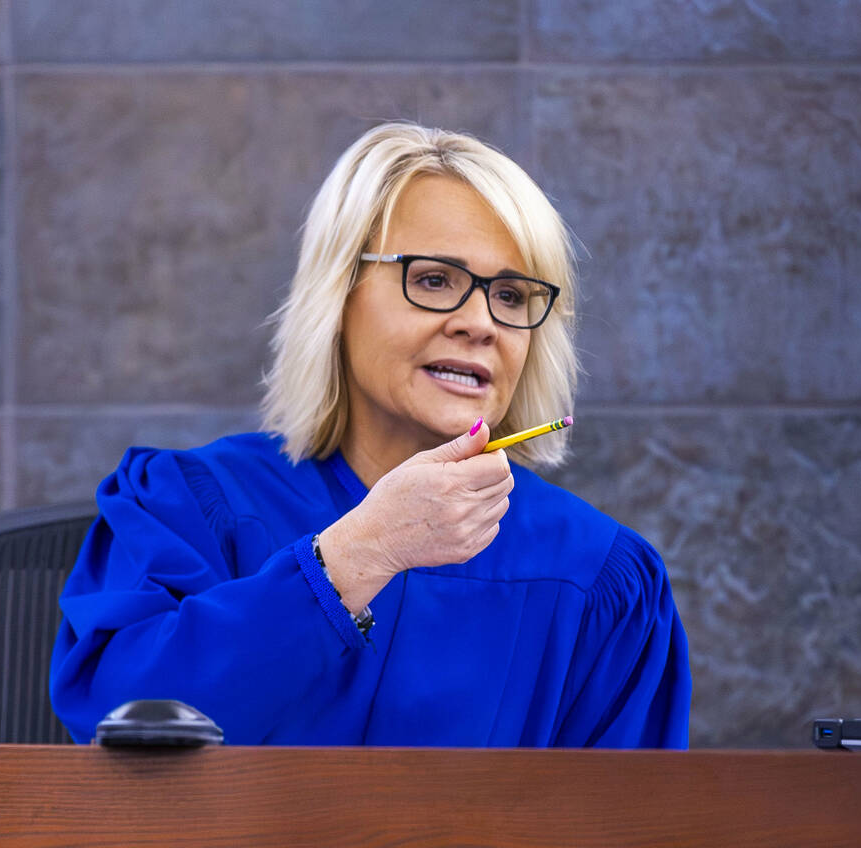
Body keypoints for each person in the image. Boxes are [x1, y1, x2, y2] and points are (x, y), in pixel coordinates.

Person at [49, 122, 691, 747]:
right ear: (339, 295)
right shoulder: (184, 506)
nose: (481, 324)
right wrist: (354, 558)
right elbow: (122, 726)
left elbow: (625, 832)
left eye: (514, 296)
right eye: (434, 279)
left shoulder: (601, 576)